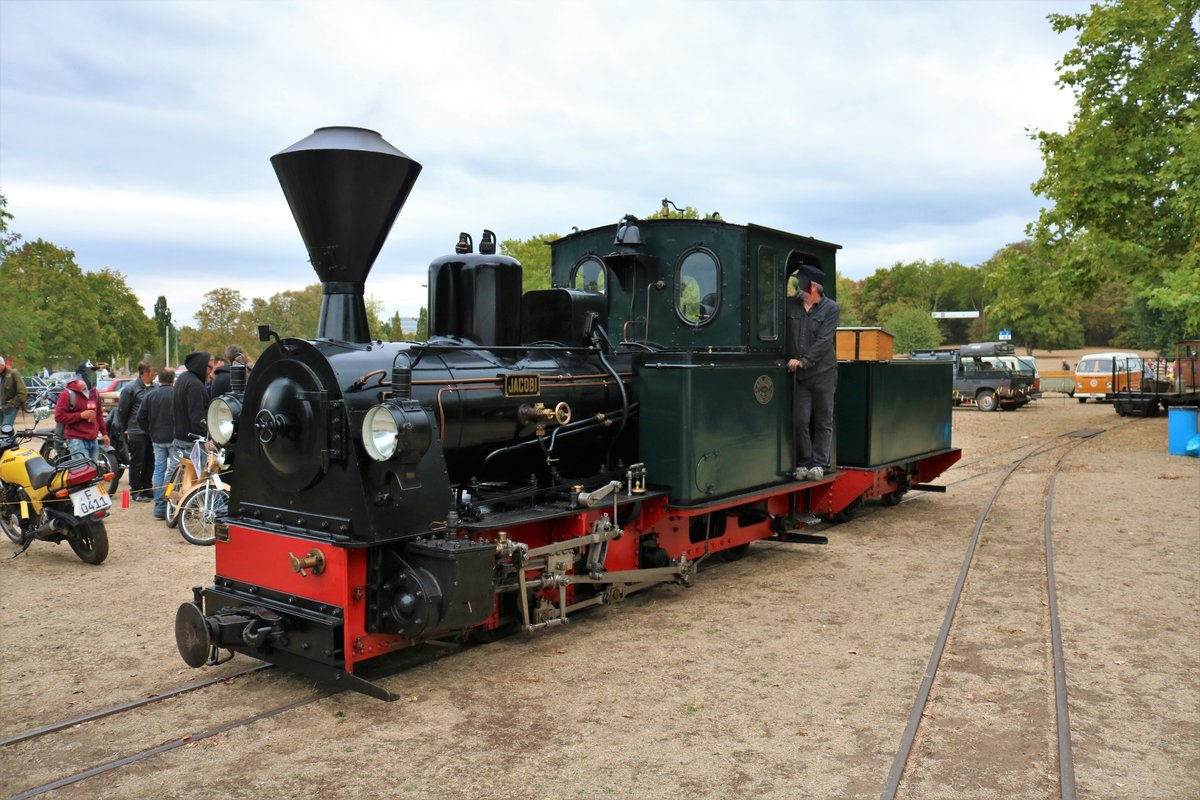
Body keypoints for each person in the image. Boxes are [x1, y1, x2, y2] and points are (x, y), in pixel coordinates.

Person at [785, 263, 840, 481]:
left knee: (823, 420)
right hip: (800, 376)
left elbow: (824, 341)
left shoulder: (832, 309)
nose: (798, 285)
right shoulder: (791, 306)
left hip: (824, 373)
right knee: (800, 421)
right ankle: (804, 463)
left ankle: (819, 464)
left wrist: (804, 361)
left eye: (802, 281)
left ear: (813, 286)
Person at [138, 368, 177, 520]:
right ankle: (164, 502)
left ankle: (159, 503)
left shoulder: (150, 395)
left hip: (156, 437)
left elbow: (141, 416)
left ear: (159, 379)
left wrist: (149, 430)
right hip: (174, 438)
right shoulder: (176, 394)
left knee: (159, 469)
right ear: (173, 379)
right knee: (173, 470)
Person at [54, 361, 108, 461]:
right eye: (90, 372)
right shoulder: (67, 394)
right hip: (76, 440)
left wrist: (104, 433)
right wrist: (81, 415)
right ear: (80, 375)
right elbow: (59, 416)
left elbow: (99, 415)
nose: (93, 375)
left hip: (93, 439)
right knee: (83, 471)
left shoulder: (94, 393)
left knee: (92, 471)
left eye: (94, 372)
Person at [117, 362, 155, 502]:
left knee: (150, 460)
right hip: (136, 430)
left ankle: (147, 488)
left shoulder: (155, 388)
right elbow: (122, 411)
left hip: (151, 431)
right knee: (137, 461)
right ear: (144, 372)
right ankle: (136, 490)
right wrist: (125, 428)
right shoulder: (130, 389)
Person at [174, 351, 213, 458]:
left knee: (181, 471)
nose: (211, 371)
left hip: (180, 436)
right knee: (198, 473)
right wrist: (206, 438)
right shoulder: (195, 385)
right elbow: (197, 416)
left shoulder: (183, 378)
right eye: (210, 368)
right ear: (202, 366)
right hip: (193, 441)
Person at [0, 356, 28, 429]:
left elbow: (22, 392)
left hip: (10, 408)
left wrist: (12, 404)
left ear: (2, 365)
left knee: (6, 429)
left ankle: (8, 440)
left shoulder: (13, 374)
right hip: (1, 407)